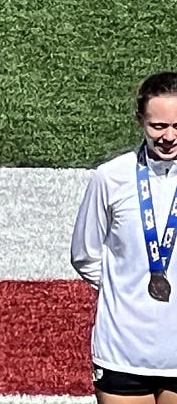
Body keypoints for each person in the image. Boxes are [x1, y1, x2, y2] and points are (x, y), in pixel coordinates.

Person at [73, 71, 177, 403]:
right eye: (158, 126)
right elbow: (84, 254)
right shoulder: (111, 177)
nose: (169, 136)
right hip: (122, 350)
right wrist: (124, 287)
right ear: (140, 120)